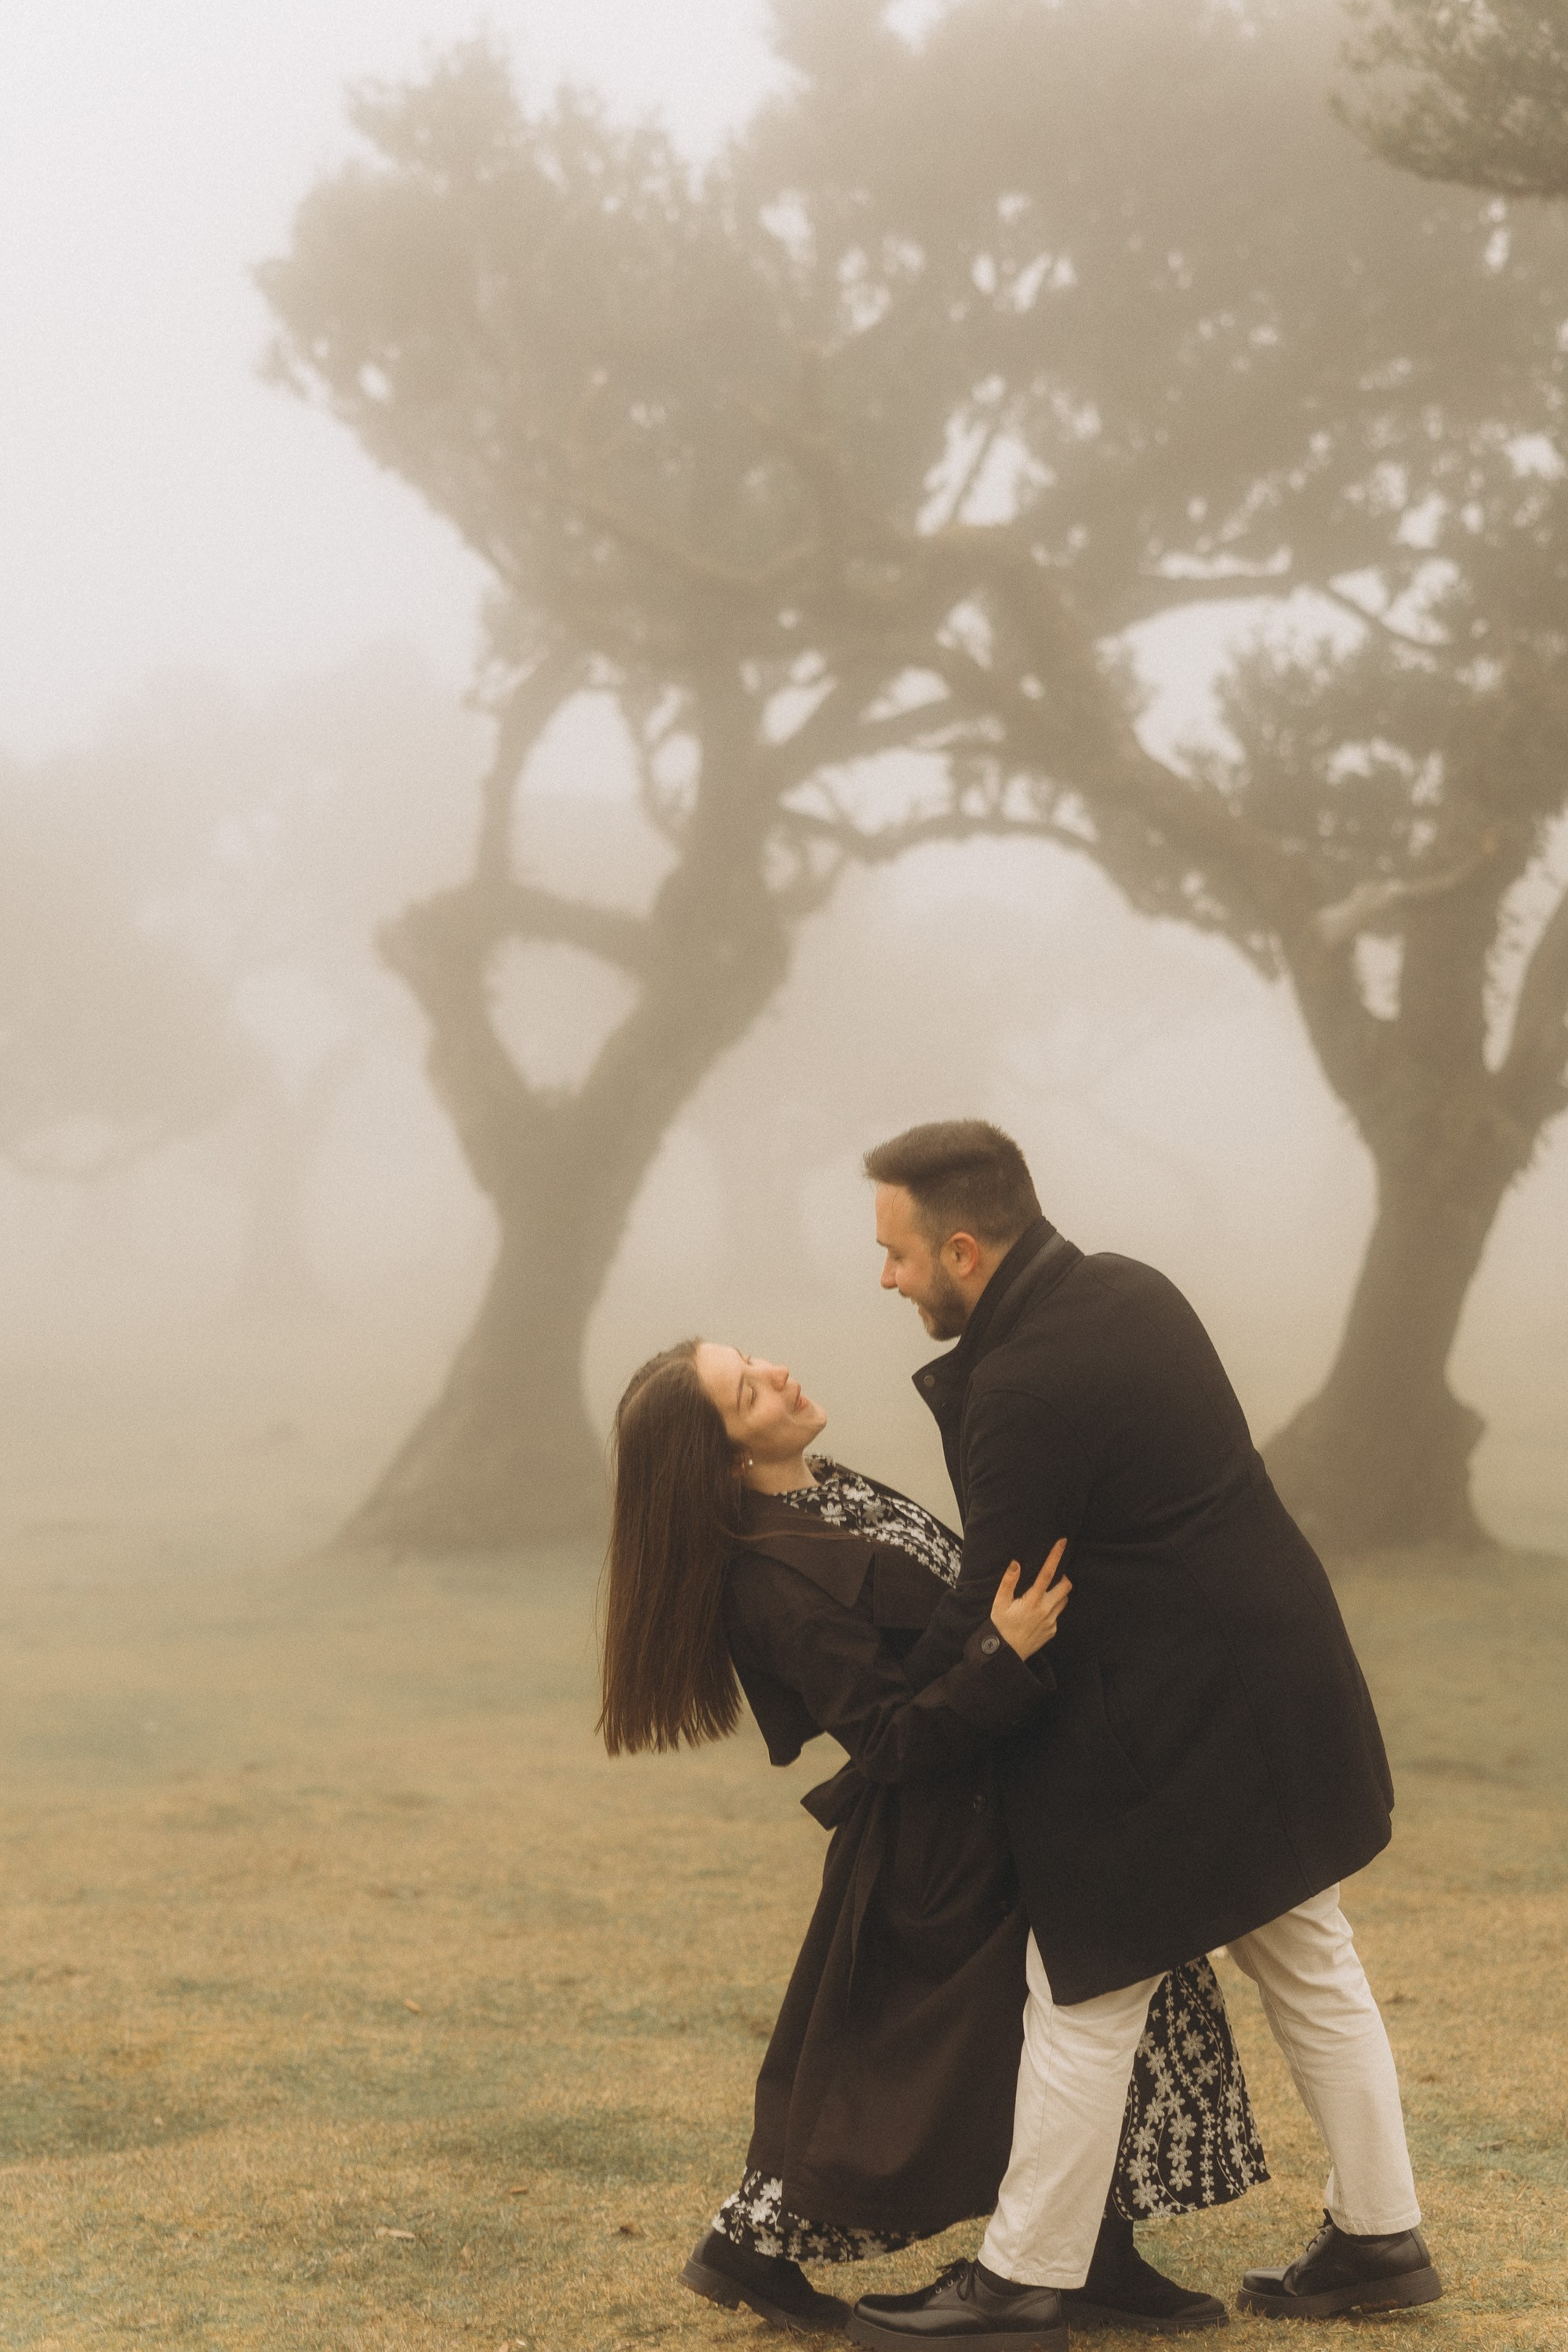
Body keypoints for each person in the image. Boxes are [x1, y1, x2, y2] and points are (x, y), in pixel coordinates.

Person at [844, 1120, 1442, 2350]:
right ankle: (1381, 2238)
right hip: (1277, 1674)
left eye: (899, 1255)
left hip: (1174, 1714)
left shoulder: (1017, 1384)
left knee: (1085, 1985)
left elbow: (993, 1592)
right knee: (1308, 1952)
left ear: (963, 1247)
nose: (888, 1278)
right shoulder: (1135, 1290)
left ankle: (1021, 2284)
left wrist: (897, 1720)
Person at [599, 1338, 1268, 2339]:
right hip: (947, 1836)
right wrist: (1004, 1655)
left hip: (1016, 1791)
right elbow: (888, 1738)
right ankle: (752, 2250)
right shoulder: (768, 1578)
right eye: (748, 1391)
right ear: (727, 1458)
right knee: (922, 2070)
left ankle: (1096, 2255)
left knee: (1104, 2013)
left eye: (754, 1361)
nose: (778, 1374)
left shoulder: (823, 1490)